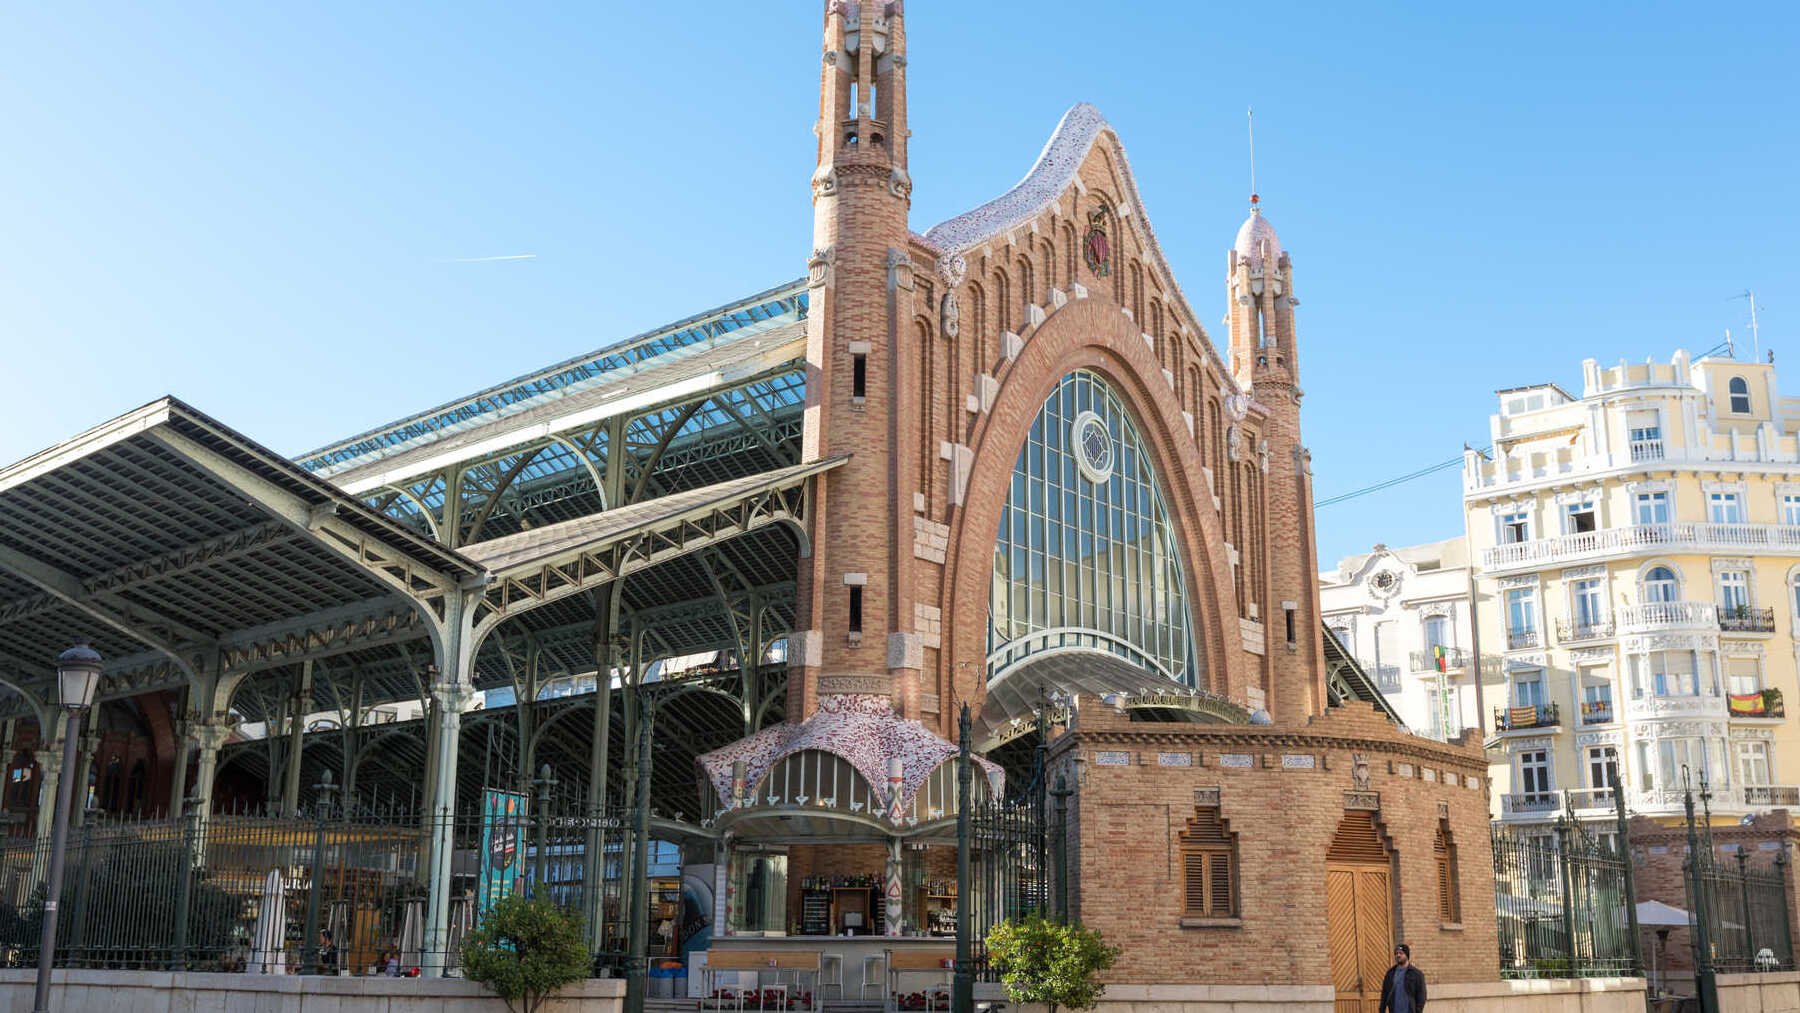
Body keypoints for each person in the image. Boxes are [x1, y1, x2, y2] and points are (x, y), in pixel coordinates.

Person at [1379, 943, 1426, 1013]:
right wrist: (1382, 1010)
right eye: (1396, 953)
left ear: (1407, 955)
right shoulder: (1390, 973)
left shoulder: (1416, 974)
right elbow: (1384, 993)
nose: (1398, 955)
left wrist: (1418, 1011)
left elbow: (1421, 996)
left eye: (1401, 953)